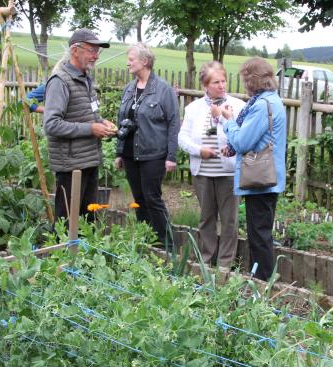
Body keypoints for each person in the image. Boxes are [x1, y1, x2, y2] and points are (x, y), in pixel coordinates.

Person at [210, 57, 286, 281]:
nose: (244, 85)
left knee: (259, 236)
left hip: (261, 179)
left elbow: (243, 142)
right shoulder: (273, 100)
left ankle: (263, 285)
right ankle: (260, 281)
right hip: (268, 176)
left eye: (245, 80)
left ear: (253, 81)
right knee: (259, 233)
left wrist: (227, 120)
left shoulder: (262, 106)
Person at [43, 29, 117, 224]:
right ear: (75, 51)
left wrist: (101, 122)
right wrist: (91, 129)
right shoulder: (60, 81)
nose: (95, 55)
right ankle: (62, 255)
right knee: (67, 222)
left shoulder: (85, 79)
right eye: (91, 50)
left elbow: (84, 114)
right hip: (71, 166)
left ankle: (84, 255)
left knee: (87, 221)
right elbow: (51, 124)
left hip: (89, 161)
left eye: (97, 51)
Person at [178, 62, 246, 268]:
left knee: (229, 220)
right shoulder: (193, 109)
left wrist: (232, 145)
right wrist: (200, 151)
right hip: (203, 173)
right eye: (216, 82)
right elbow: (182, 138)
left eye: (223, 81)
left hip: (228, 173)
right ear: (205, 85)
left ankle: (225, 264)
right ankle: (205, 261)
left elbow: (243, 136)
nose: (221, 85)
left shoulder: (238, 106)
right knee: (206, 218)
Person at [114, 43, 180, 247]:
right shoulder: (129, 89)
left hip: (153, 154)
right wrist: (119, 152)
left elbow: (173, 122)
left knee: (152, 197)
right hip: (130, 153)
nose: (128, 63)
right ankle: (147, 239)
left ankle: (167, 243)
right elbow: (121, 120)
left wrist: (171, 156)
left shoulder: (162, 89)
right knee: (139, 198)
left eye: (131, 59)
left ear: (145, 61)